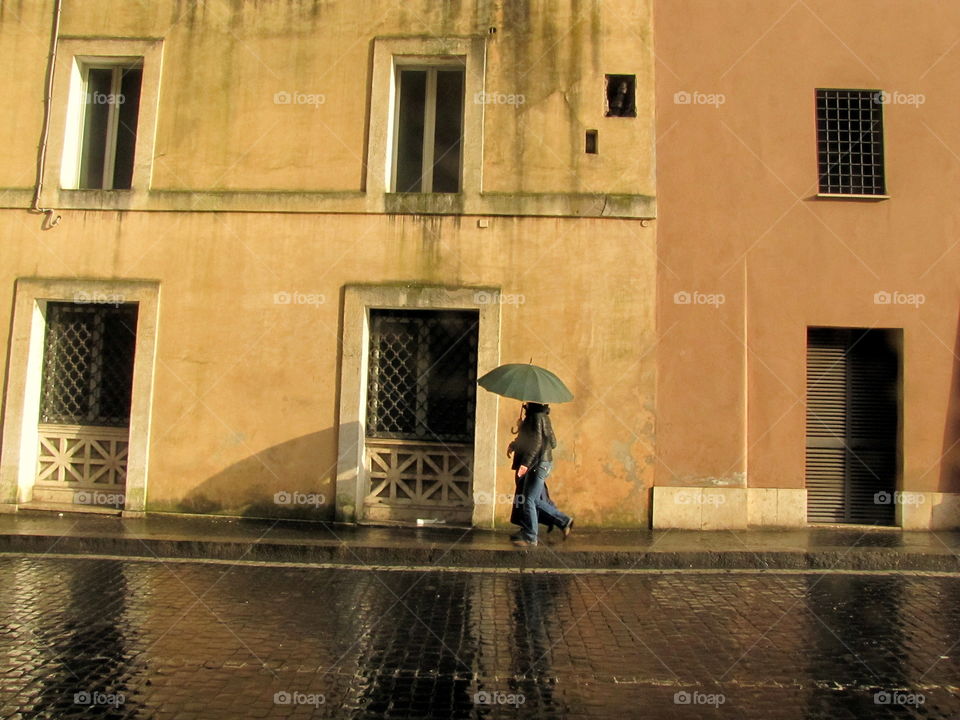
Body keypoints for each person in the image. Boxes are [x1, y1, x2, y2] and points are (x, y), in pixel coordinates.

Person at [508, 402, 573, 547]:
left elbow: (536, 443)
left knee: (528, 500)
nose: (525, 403)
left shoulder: (537, 417)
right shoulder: (539, 417)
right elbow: (553, 442)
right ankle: (564, 521)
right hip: (541, 463)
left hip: (537, 464)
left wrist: (525, 464)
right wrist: (521, 431)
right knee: (533, 500)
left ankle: (531, 537)